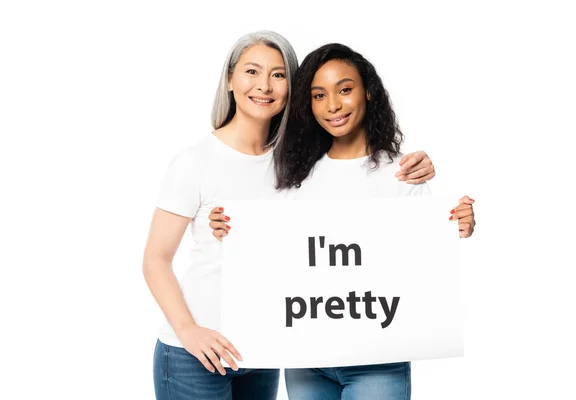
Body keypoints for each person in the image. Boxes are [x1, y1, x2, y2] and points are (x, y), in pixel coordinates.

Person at [143, 31, 436, 400]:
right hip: (196, 351)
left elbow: (324, 230)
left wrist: (422, 179)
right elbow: (155, 259)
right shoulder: (194, 162)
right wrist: (187, 330)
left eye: (279, 75)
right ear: (230, 80)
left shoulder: (296, 163)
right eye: (252, 71)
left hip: (263, 351)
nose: (264, 85)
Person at [209, 43, 475, 399]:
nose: (333, 105)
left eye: (344, 90)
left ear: (368, 90)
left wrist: (458, 223)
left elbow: (426, 257)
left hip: (377, 361)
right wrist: (230, 227)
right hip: (306, 359)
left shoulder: (402, 173)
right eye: (319, 95)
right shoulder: (295, 177)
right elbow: (276, 255)